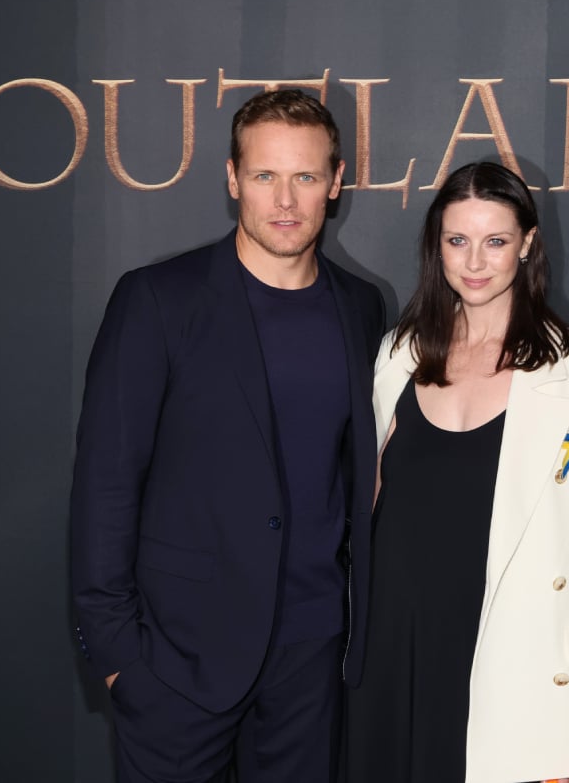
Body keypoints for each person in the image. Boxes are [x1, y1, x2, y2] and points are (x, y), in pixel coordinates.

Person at [70, 88, 385, 783]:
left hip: (310, 661)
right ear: (233, 178)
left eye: (305, 176)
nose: (285, 199)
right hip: (178, 661)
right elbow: (105, 485)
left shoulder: (362, 306)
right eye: (265, 174)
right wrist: (121, 660)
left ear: (336, 182)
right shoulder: (158, 299)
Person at [345, 162, 569, 783]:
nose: (475, 262)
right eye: (458, 240)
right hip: (392, 651)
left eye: (496, 241)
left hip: (519, 663)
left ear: (528, 243)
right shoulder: (395, 355)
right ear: (436, 245)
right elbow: (361, 513)